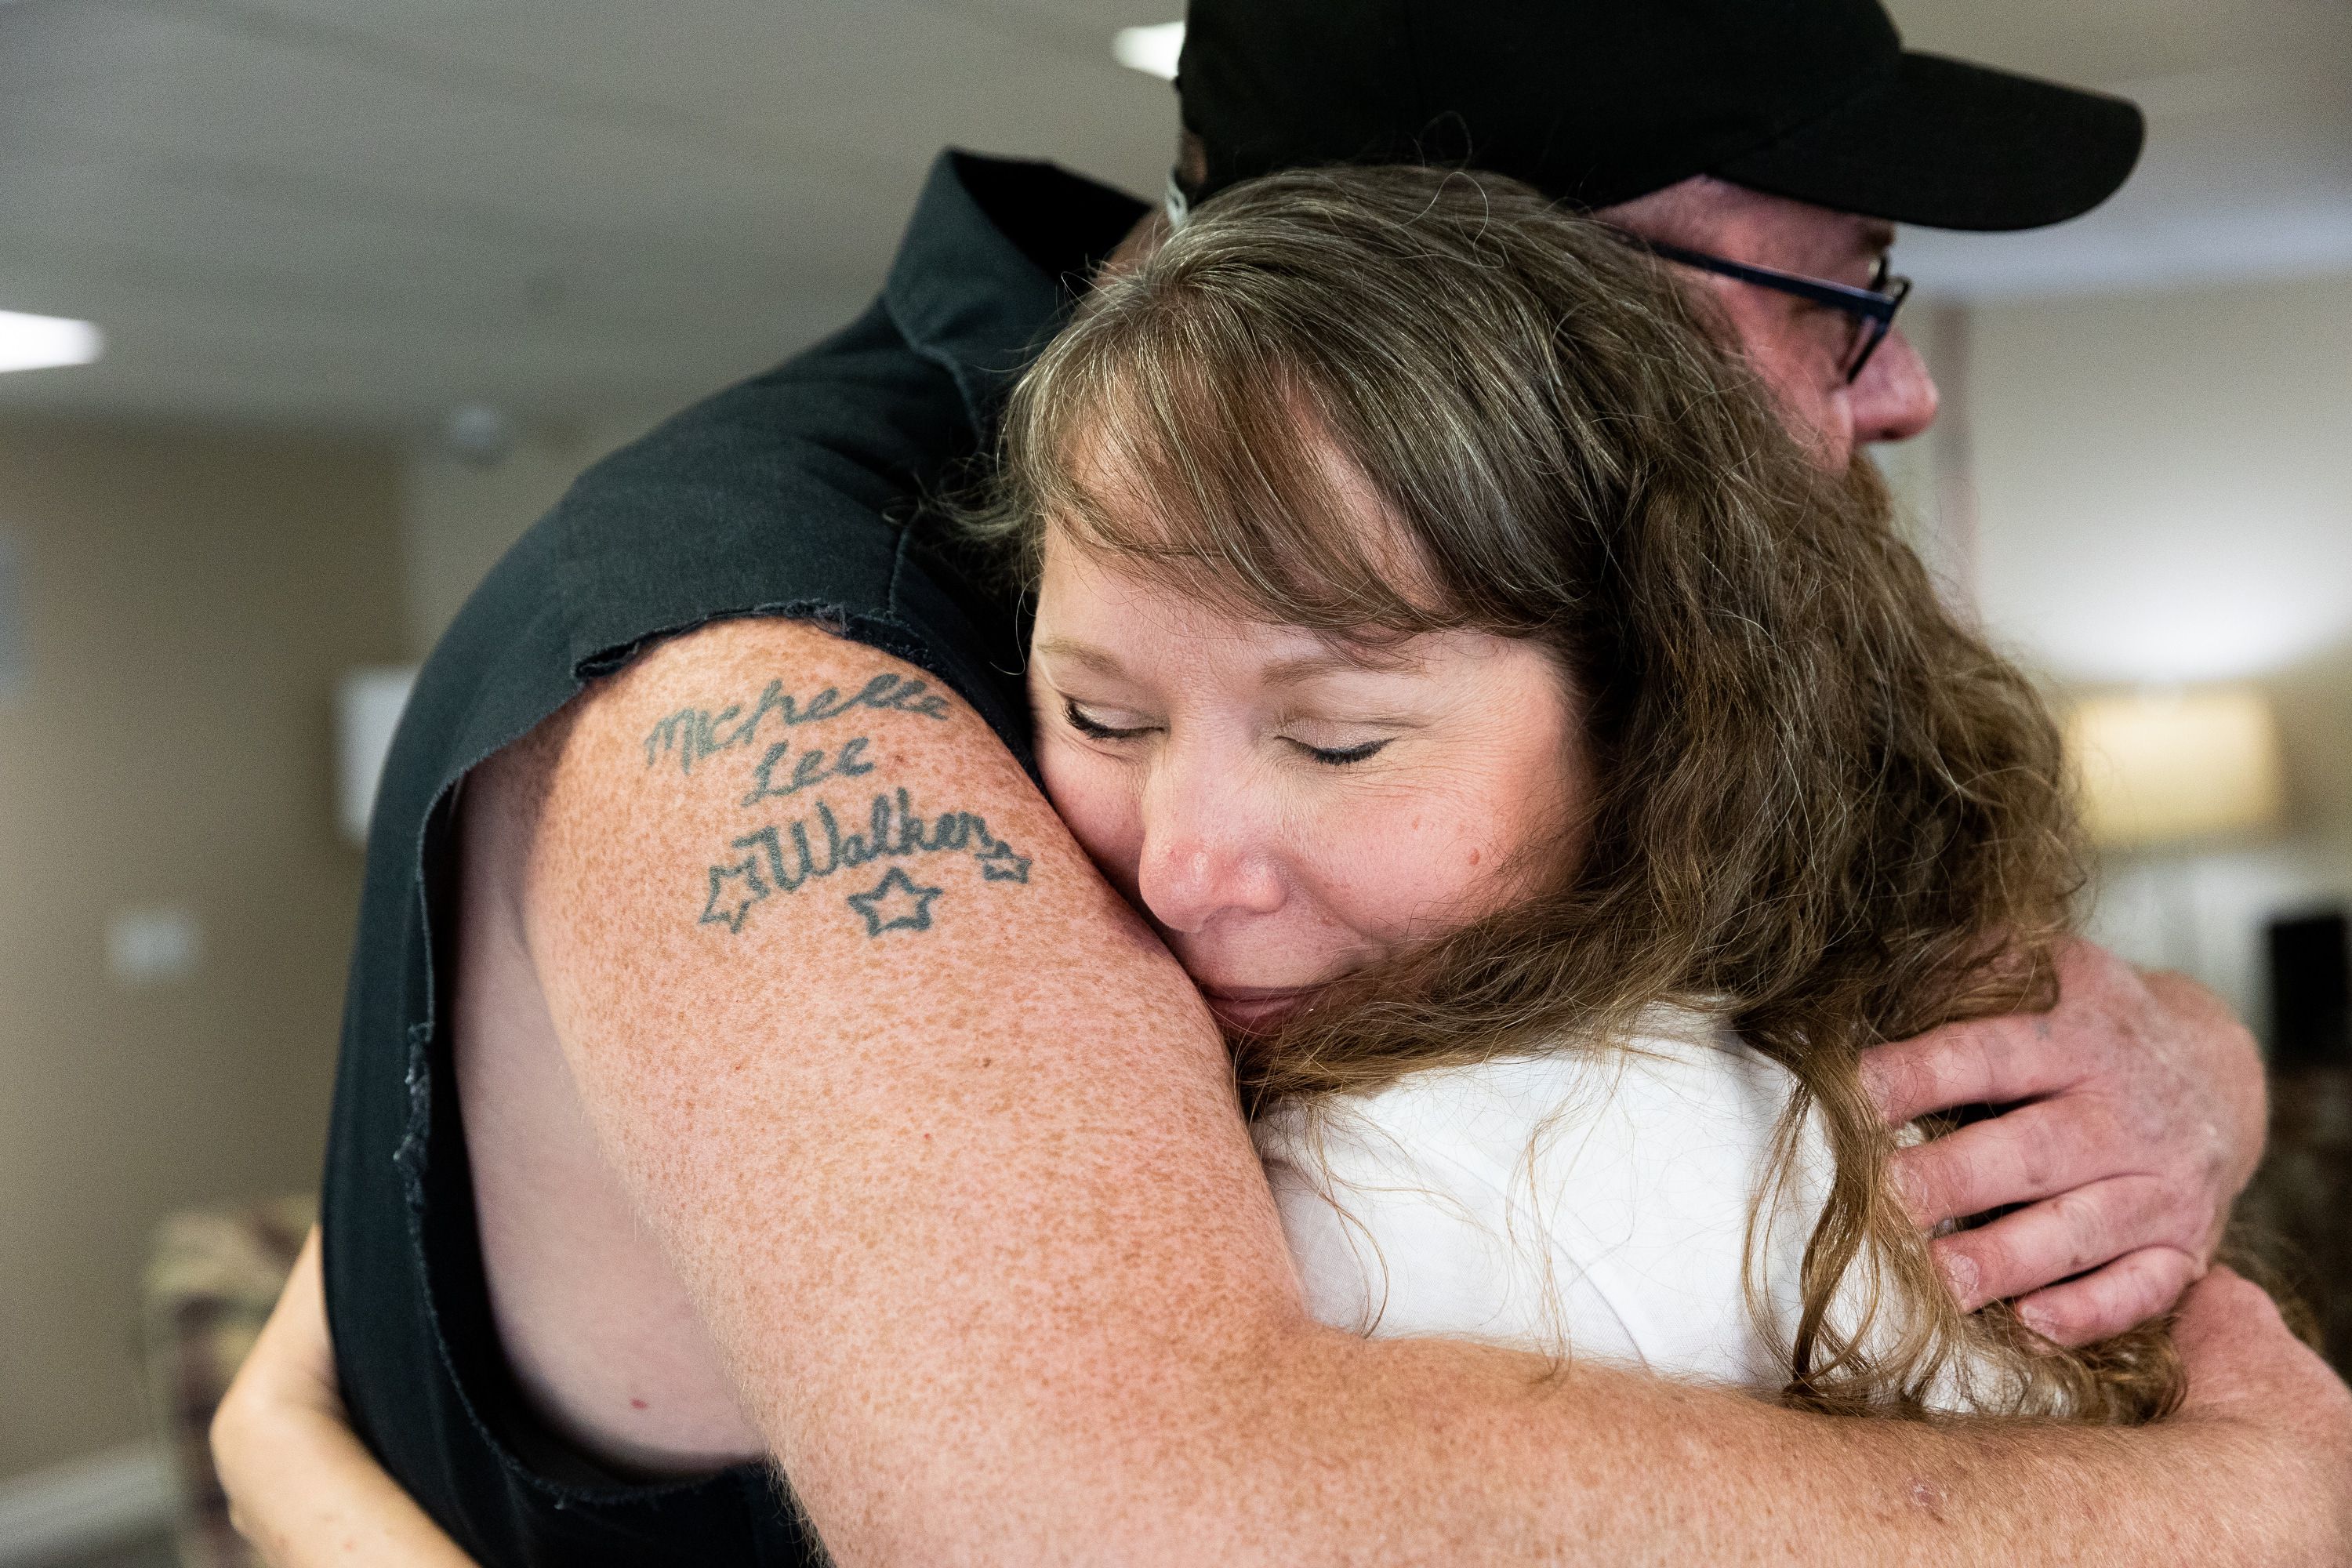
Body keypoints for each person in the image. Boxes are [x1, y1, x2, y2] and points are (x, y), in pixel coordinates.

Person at [217, 3, 2347, 1565]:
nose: (1901, 383)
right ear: (1497, 324)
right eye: (1835, 288)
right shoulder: (778, 671)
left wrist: (2180, 1059)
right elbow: (1089, 1520)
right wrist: (2219, 1515)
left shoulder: (1407, 560)